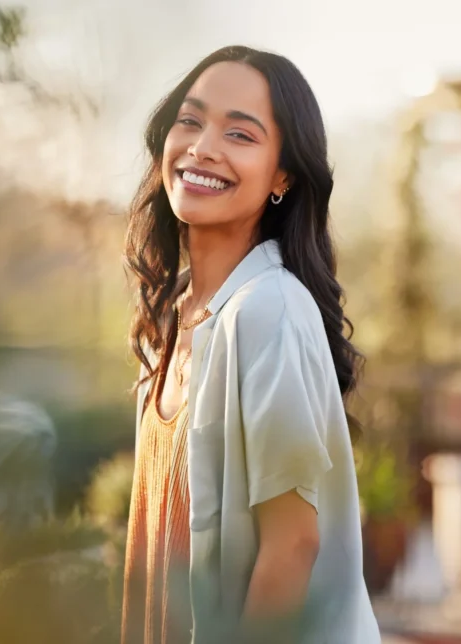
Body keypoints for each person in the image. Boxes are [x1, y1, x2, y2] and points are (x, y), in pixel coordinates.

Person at [120, 45, 382, 644]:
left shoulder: (269, 309)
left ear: (283, 175)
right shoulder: (171, 315)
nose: (203, 147)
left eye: (240, 134)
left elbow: (291, 545)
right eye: (190, 120)